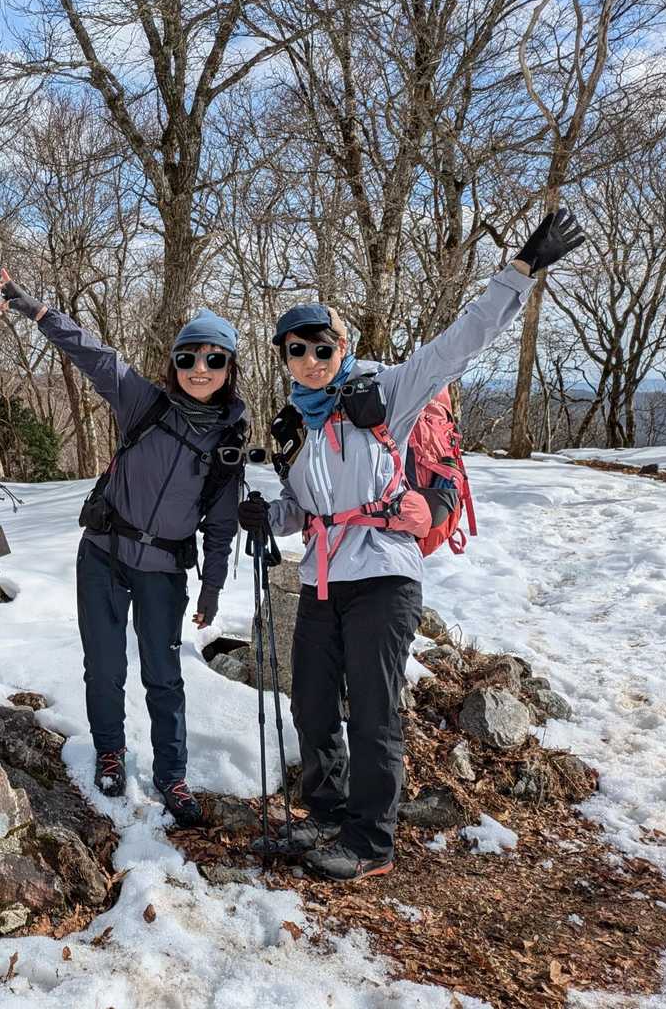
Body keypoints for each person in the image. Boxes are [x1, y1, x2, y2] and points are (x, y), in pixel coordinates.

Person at [238, 209, 586, 882]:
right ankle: (327, 814)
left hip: (384, 578)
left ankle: (371, 840)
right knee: (312, 703)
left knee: (372, 710)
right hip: (320, 580)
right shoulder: (297, 424)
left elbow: (460, 343)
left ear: (342, 345)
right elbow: (307, 508)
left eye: (320, 347)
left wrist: (519, 272)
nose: (309, 360)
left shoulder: (388, 392)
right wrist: (267, 515)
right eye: (295, 350)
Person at [0, 270, 248, 827]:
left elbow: (222, 525)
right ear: (174, 363)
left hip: (164, 569)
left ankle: (172, 775)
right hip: (104, 554)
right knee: (104, 667)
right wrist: (38, 312)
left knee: (164, 675)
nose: (199, 369)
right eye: (188, 358)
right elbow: (93, 354)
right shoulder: (143, 404)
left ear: (229, 369)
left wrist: (211, 586)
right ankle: (110, 751)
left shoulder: (228, 442)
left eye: (213, 359)